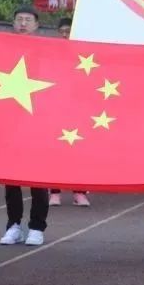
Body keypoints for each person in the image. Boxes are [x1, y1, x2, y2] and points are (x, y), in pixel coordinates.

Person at [0, 6, 52, 247]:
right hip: (10, 123)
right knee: (11, 178)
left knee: (38, 177)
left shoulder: (47, 51)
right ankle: (13, 225)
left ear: (36, 25)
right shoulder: (3, 50)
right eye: (18, 19)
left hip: (39, 123)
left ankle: (37, 226)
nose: (22, 24)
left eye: (27, 20)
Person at [49, 17, 91, 207]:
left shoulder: (86, 53)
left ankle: (79, 192)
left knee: (79, 152)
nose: (66, 35)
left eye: (69, 31)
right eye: (63, 31)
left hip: (80, 109)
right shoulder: (52, 53)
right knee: (56, 151)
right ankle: (54, 192)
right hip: (57, 108)